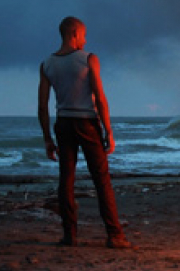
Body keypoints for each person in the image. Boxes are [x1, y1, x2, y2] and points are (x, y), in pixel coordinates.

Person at [38, 16, 133, 249]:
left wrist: (47, 139)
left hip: (63, 123)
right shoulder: (89, 59)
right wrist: (108, 130)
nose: (85, 39)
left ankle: (70, 236)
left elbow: (42, 106)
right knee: (101, 180)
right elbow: (100, 97)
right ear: (74, 34)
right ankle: (114, 235)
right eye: (83, 34)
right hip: (87, 122)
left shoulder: (47, 64)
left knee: (66, 180)